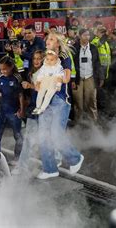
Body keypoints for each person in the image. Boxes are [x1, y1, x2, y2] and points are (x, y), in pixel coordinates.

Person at [37, 31, 83, 180]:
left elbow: (67, 78)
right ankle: (50, 169)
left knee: (56, 134)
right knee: (43, 135)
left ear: (58, 43)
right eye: (47, 39)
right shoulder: (46, 57)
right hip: (46, 100)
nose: (47, 41)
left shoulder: (63, 56)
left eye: (51, 39)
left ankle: (75, 158)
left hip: (60, 100)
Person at [0, 56, 24, 164]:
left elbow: (21, 95)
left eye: (5, 69)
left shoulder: (16, 78)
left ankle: (17, 158)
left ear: (11, 67)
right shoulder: (0, 78)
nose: (3, 71)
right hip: (3, 112)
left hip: (14, 112)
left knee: (17, 135)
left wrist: (21, 110)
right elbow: (0, 92)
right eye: (1, 69)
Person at [72, 29, 103, 123]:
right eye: (85, 35)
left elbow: (98, 63)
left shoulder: (93, 48)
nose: (87, 37)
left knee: (91, 101)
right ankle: (78, 121)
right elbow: (71, 64)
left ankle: (93, 122)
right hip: (78, 78)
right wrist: (72, 80)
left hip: (90, 78)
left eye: (88, 35)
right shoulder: (74, 48)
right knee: (78, 102)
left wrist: (101, 77)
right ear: (80, 36)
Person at [32, 50, 65, 115]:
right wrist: (38, 82)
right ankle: (38, 107)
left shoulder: (58, 67)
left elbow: (60, 76)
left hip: (53, 82)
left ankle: (42, 108)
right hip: (45, 81)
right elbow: (40, 75)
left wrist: (58, 84)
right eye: (47, 59)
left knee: (48, 96)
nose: (49, 61)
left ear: (56, 60)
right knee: (40, 94)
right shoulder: (44, 67)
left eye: (51, 60)